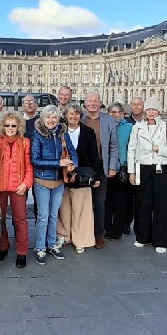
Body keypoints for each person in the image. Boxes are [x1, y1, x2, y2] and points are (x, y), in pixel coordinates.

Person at [31, 105, 77, 265]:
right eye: (48, 117)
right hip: (43, 180)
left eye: (54, 118)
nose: (51, 120)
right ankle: (40, 247)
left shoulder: (62, 133)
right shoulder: (37, 135)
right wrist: (59, 163)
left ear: (58, 120)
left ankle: (51, 245)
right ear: (43, 119)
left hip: (59, 180)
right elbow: (35, 160)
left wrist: (73, 164)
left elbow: (72, 151)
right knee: (43, 216)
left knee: (53, 215)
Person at [57, 103, 102, 253]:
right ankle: (65, 235)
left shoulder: (88, 132)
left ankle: (80, 239)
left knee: (82, 209)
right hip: (63, 175)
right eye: (71, 114)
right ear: (66, 115)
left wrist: (96, 176)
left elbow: (94, 156)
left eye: (77, 114)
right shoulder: (59, 131)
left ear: (80, 116)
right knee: (64, 208)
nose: (74, 116)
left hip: (82, 175)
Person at [127, 96, 167, 254]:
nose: (151, 112)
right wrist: (131, 172)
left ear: (158, 111)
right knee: (142, 203)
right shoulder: (137, 127)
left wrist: (159, 149)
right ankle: (142, 237)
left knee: (161, 205)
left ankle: (161, 240)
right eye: (149, 109)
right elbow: (131, 149)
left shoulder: (165, 127)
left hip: (161, 168)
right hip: (142, 167)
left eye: (154, 109)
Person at [81, 92, 118, 249]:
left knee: (100, 202)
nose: (92, 103)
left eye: (95, 101)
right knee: (83, 202)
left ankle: (98, 235)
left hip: (102, 167)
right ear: (85, 103)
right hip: (83, 167)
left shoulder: (109, 120)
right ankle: (83, 233)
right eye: (90, 101)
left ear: (100, 103)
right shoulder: (80, 118)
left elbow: (114, 145)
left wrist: (112, 166)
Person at [0, 112, 33, 268]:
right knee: (0, 218)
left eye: (13, 125)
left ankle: (22, 252)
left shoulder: (25, 142)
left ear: (19, 127)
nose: (10, 128)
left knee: (20, 220)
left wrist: (26, 184)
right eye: (7, 125)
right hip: (0, 187)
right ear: (2, 126)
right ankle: (3, 246)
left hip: (18, 187)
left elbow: (29, 166)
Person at [104, 102, 133, 240]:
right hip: (107, 168)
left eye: (118, 112)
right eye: (112, 112)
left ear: (123, 113)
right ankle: (107, 228)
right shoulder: (105, 125)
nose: (115, 115)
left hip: (122, 168)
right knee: (107, 200)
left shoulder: (129, 127)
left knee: (121, 201)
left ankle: (117, 230)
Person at [124, 97, 144, 233]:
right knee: (128, 196)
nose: (136, 107)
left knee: (142, 198)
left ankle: (139, 225)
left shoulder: (148, 121)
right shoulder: (126, 122)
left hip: (144, 164)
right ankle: (127, 223)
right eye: (134, 104)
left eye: (139, 105)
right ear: (131, 106)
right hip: (129, 164)